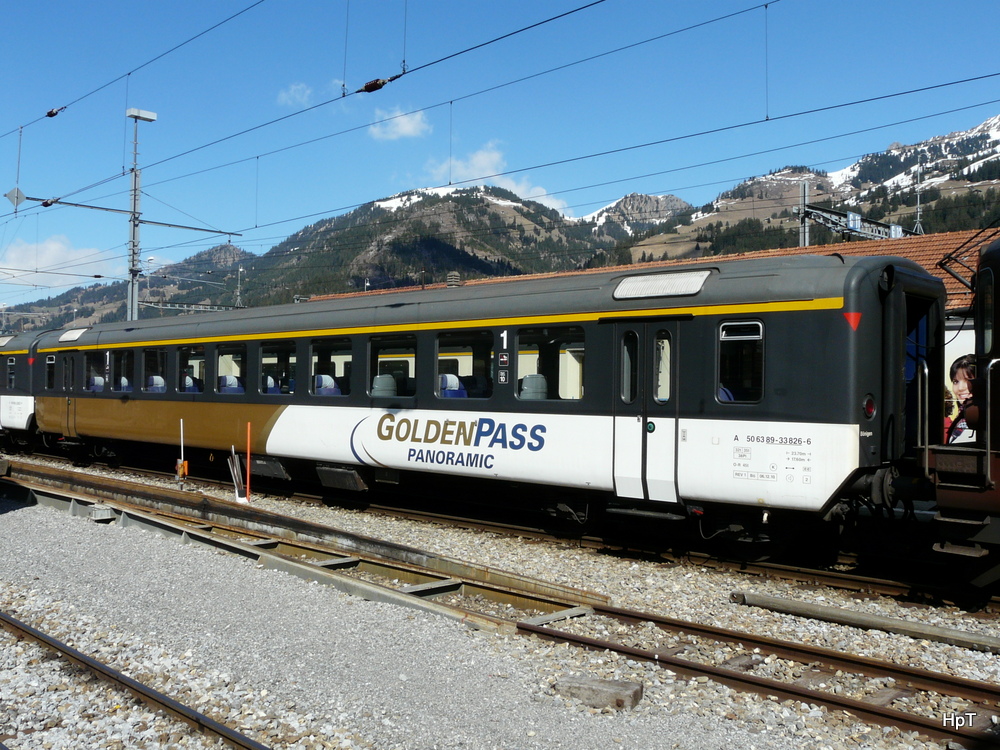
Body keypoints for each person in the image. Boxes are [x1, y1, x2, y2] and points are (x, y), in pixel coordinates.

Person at [947, 354, 976, 443]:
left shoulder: (976, 421)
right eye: (956, 382)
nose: (960, 388)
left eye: (968, 381)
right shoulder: (961, 418)